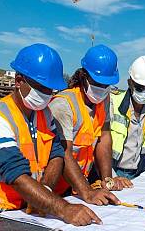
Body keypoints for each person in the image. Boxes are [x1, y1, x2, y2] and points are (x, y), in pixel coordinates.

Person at [0, 43, 101, 225]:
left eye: (50, 89)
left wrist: (45, 190)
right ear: (18, 81)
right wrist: (63, 208)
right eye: (40, 87)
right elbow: (15, 175)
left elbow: (57, 154)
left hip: (32, 211)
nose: (46, 95)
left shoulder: (44, 113)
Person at [49, 44, 132, 195]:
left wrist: (107, 179)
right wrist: (87, 192)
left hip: (78, 185)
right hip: (56, 187)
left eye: (106, 85)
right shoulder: (63, 105)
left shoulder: (104, 99)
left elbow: (104, 138)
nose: (101, 89)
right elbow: (64, 153)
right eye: (97, 83)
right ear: (83, 77)